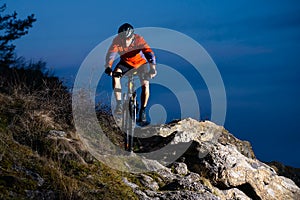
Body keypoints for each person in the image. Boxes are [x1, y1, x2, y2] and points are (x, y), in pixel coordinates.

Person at [104, 23, 157, 122]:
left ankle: (143, 110)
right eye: (122, 39)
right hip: (125, 63)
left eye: (127, 40)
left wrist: (152, 68)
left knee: (145, 84)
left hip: (141, 64)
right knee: (115, 75)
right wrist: (108, 67)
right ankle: (119, 104)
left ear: (132, 37)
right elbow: (111, 54)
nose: (125, 42)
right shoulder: (117, 41)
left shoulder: (139, 40)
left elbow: (149, 53)